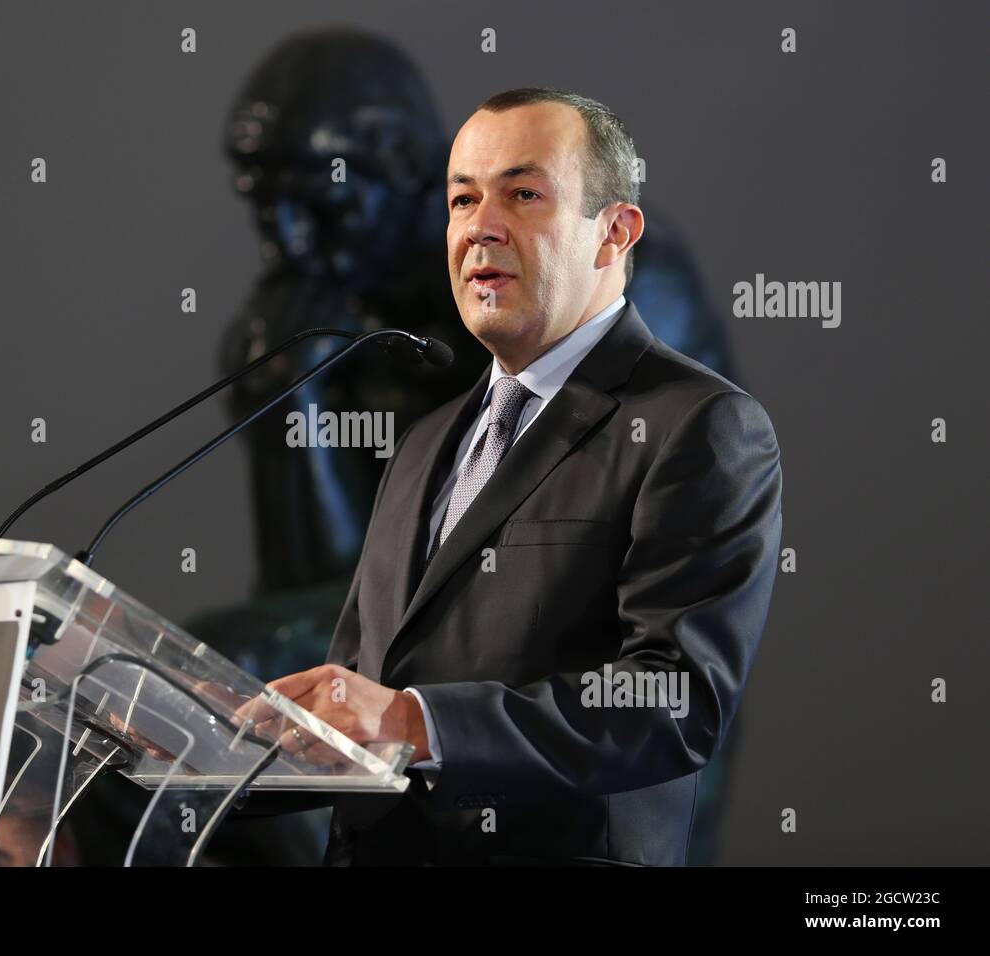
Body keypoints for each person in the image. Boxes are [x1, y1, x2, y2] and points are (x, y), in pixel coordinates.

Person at [261, 87, 783, 866]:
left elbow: (669, 703)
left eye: (523, 194)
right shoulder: (424, 445)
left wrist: (415, 722)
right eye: (462, 199)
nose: (480, 227)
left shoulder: (697, 425)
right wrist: (216, 748)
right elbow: (361, 695)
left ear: (614, 233)